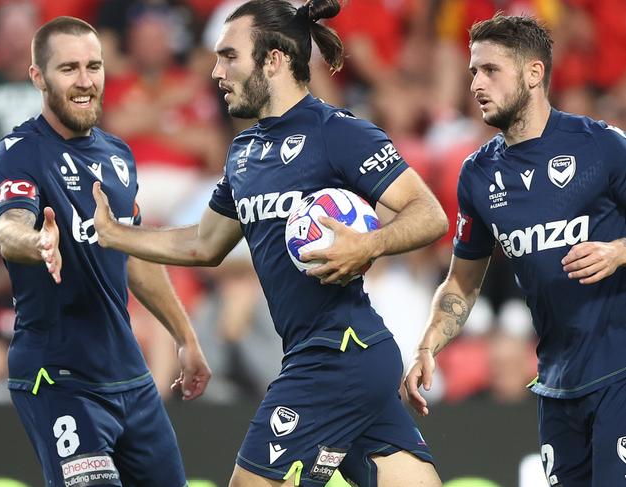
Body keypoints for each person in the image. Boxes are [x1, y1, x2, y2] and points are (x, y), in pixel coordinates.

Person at [90, 1, 448, 485]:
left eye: (229, 56)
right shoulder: (243, 152)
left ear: (274, 60)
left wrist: (368, 245)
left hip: (338, 350)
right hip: (334, 355)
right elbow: (203, 243)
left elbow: (430, 214)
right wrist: (115, 235)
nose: (215, 71)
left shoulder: (337, 132)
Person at [405, 13, 626, 487]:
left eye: (490, 70)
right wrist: (429, 343)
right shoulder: (478, 176)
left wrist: (619, 251)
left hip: (620, 371)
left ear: (533, 74)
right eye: (472, 72)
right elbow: (462, 280)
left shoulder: (602, 147)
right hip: (556, 384)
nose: (476, 84)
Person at [0, 16, 211, 487]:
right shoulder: (20, 151)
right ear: (38, 77)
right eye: (68, 68)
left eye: (94, 66)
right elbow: (10, 228)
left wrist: (184, 337)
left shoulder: (118, 155)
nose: (86, 81)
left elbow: (135, 255)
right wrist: (38, 242)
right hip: (59, 378)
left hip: (130, 376)